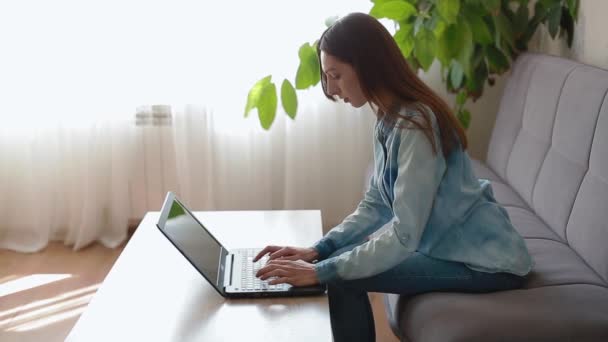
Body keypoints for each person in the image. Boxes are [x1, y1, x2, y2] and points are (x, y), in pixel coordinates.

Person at [254, 12, 533, 342]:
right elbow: (376, 204)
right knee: (334, 264)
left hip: (486, 263)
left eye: (336, 75)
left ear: (367, 64)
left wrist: (320, 270)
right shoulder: (389, 117)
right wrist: (318, 249)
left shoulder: (417, 125)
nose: (331, 88)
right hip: (452, 249)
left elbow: (404, 234)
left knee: (340, 277)